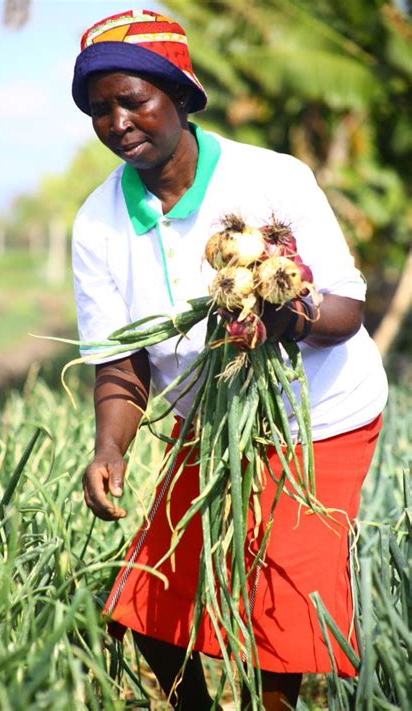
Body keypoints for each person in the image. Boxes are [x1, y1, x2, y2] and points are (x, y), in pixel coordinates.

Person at [71, 9, 388, 710]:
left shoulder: (270, 177)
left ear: (180, 97)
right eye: (100, 109)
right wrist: (110, 445)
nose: (117, 121)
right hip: (212, 419)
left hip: (320, 417)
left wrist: (287, 317)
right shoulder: (98, 221)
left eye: (134, 101)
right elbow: (120, 361)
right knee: (151, 594)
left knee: (283, 598)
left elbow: (346, 310)